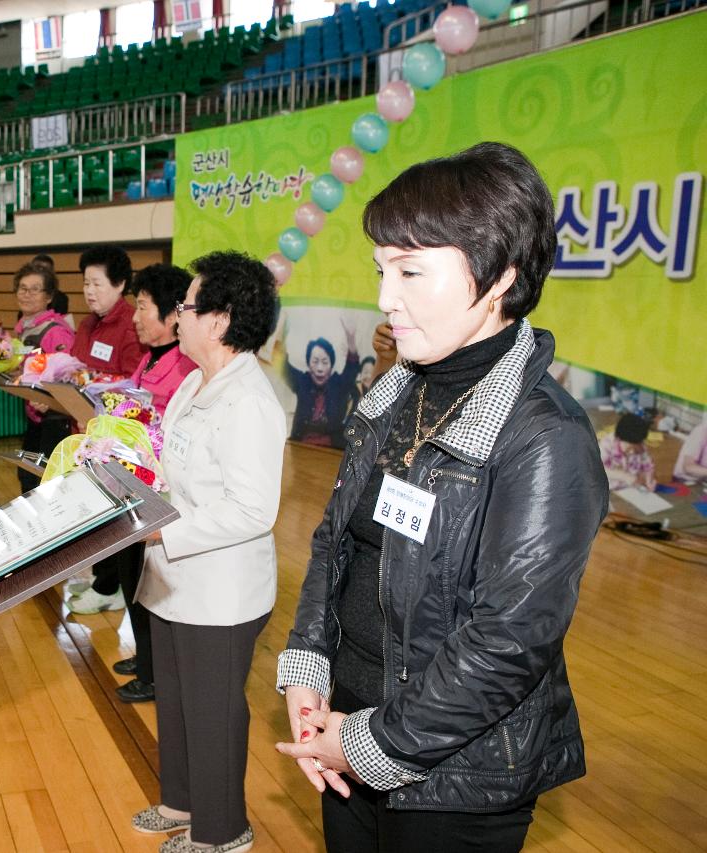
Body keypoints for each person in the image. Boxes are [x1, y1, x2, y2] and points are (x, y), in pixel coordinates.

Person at [275, 142, 609, 853]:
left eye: (411, 270)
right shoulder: (393, 398)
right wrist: (307, 673)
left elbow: (509, 641)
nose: (384, 298)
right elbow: (335, 544)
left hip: (456, 776)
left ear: (498, 279)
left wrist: (371, 743)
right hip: (349, 733)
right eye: (381, 269)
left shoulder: (543, 436)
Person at [132, 251, 285, 853]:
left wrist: (161, 530)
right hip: (175, 578)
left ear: (219, 320)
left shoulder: (248, 398)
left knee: (213, 710)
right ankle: (182, 800)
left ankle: (223, 832)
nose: (177, 315)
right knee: (174, 699)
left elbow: (252, 510)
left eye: (186, 306)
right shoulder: (196, 380)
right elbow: (177, 473)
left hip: (221, 590)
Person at [70, 264, 197, 707]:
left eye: (143, 308)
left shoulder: (184, 365)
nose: (137, 317)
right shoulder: (151, 356)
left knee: (148, 583)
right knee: (131, 578)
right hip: (130, 485)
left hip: (155, 493)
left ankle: (156, 672)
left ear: (172, 315)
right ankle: (146, 658)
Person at [11, 262, 75, 494]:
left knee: (45, 485)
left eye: (34, 289)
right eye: (22, 288)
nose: (26, 294)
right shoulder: (24, 327)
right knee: (27, 476)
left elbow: (68, 375)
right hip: (34, 417)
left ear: (49, 297)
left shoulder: (55, 330)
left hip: (55, 421)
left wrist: (47, 397)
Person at [285, 317, 360, 448]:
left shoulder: (338, 384)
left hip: (331, 451)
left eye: (325, 362)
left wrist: (351, 339)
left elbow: (352, 367)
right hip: (300, 447)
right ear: (308, 364)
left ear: (331, 366)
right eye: (315, 361)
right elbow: (284, 365)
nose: (320, 368)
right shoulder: (303, 381)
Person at [71, 245, 145, 377]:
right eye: (86, 284)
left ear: (120, 284)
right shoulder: (85, 325)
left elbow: (133, 383)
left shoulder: (133, 326)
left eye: (97, 284)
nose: (89, 291)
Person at [599, 412, 657, 491]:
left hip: (631, 489)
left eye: (635, 448)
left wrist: (649, 479)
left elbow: (648, 466)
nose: (632, 452)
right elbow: (597, 469)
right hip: (607, 489)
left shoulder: (640, 445)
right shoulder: (606, 445)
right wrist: (624, 476)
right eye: (629, 448)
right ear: (620, 439)